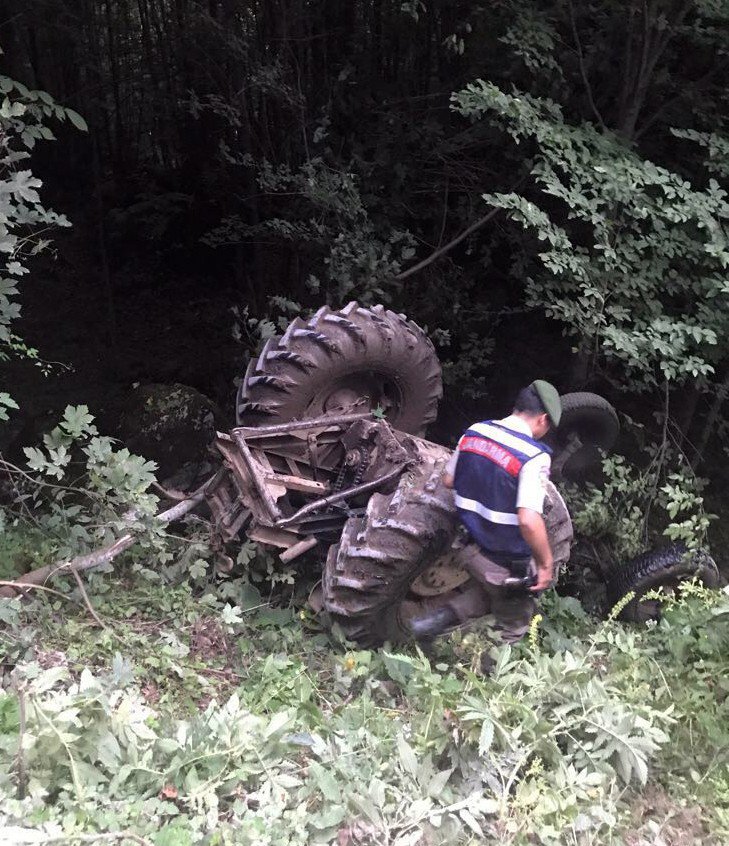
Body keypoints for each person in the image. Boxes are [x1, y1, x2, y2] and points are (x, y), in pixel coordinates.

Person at [410, 380, 562, 645]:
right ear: (543, 419)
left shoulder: (475, 432)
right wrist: (546, 565)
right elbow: (528, 520)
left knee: (491, 594)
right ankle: (488, 680)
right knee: (513, 623)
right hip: (504, 562)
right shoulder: (534, 456)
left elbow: (448, 480)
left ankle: (432, 623)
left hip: (467, 549)